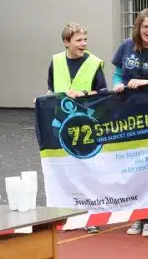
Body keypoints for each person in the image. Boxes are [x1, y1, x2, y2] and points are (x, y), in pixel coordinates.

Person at [112, 8, 148, 237]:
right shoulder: (126, 46)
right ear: (138, 27)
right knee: (133, 167)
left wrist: (145, 81)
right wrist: (118, 83)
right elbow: (118, 73)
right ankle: (137, 217)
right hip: (128, 114)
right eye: (145, 27)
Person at [46, 22, 107, 234]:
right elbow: (51, 90)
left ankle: (91, 216)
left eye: (85, 39)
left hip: (86, 125)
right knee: (66, 171)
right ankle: (68, 216)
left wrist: (82, 93)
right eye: (79, 40)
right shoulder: (56, 62)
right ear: (66, 42)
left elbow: (102, 93)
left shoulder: (94, 63)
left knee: (88, 172)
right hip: (62, 124)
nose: (84, 44)